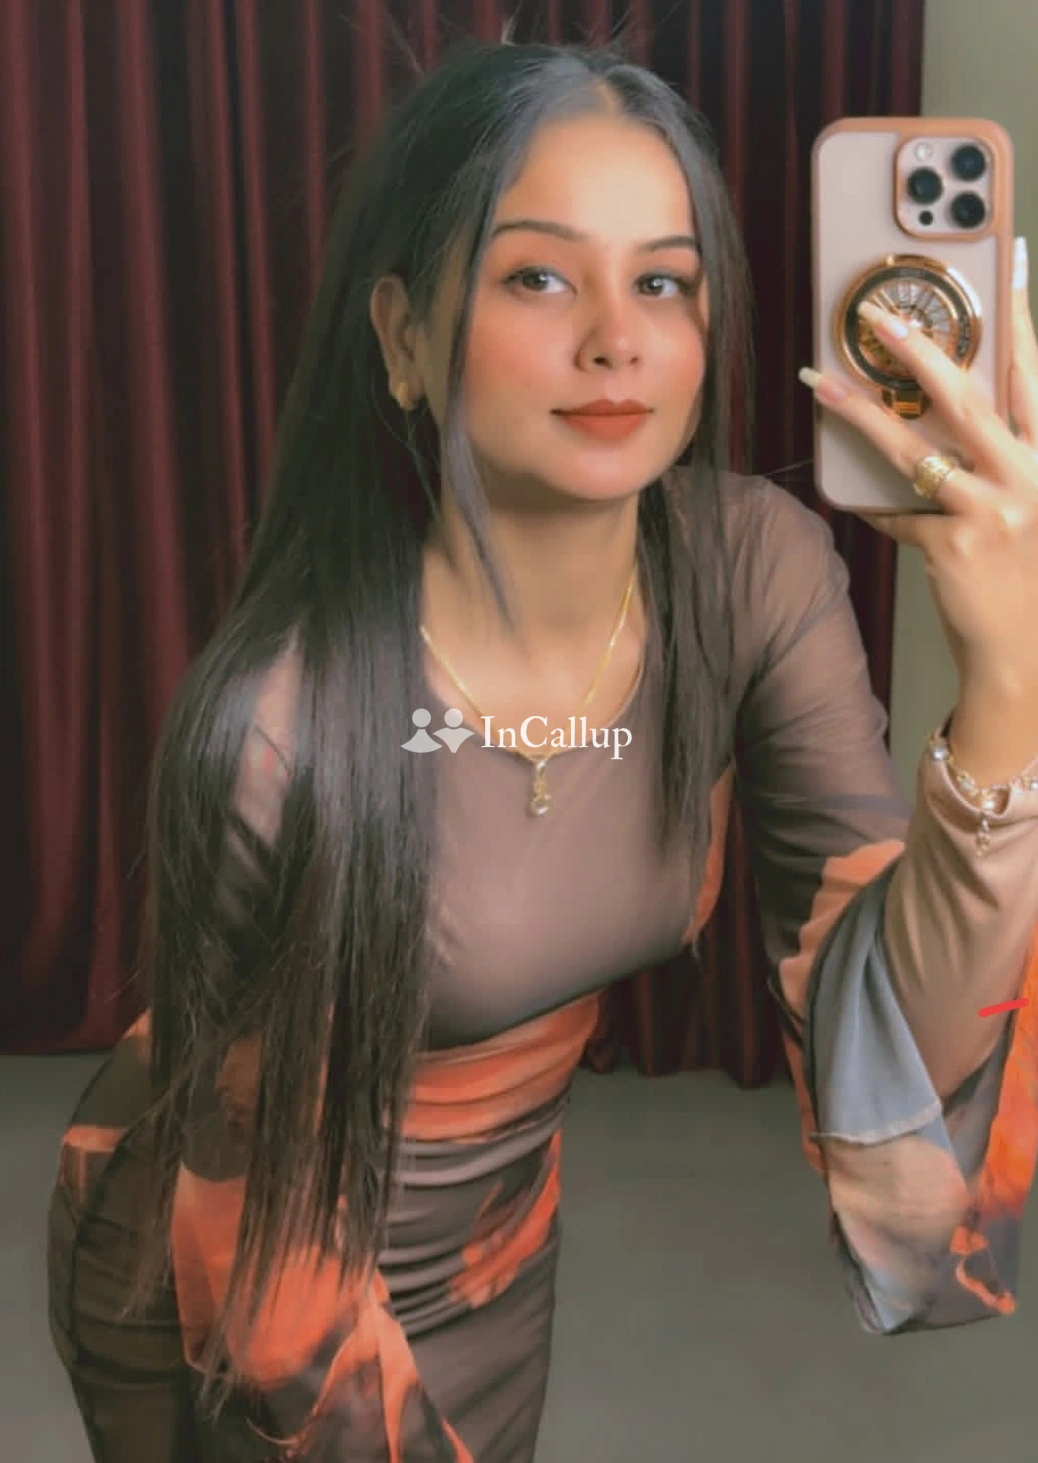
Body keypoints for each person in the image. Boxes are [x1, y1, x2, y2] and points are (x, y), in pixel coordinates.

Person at [45, 36, 1038, 1463]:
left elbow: (892, 1042)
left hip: (500, 1236)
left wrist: (1007, 680)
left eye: (663, 283)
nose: (616, 339)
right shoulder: (276, 723)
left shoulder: (749, 574)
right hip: (232, 1256)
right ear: (403, 338)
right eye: (537, 278)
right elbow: (267, 1276)